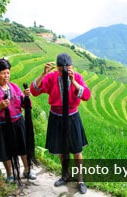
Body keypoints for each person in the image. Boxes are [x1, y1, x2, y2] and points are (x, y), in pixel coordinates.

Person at [30, 53, 91, 194]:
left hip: (72, 116)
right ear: (57, 68)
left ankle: (81, 179)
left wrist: (74, 81)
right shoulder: (51, 77)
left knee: (77, 150)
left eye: (68, 68)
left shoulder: (77, 77)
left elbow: (86, 95)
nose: (65, 71)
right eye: (62, 69)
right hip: (56, 117)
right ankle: (65, 175)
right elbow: (34, 91)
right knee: (61, 149)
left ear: (72, 67)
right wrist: (43, 74)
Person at [0, 58, 36, 183]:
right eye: (3, 73)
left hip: (18, 123)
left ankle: (27, 170)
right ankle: (9, 174)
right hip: (2, 126)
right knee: (6, 151)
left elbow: (23, 105)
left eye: (8, 72)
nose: (6, 76)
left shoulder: (15, 88)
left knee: (23, 147)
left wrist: (27, 98)